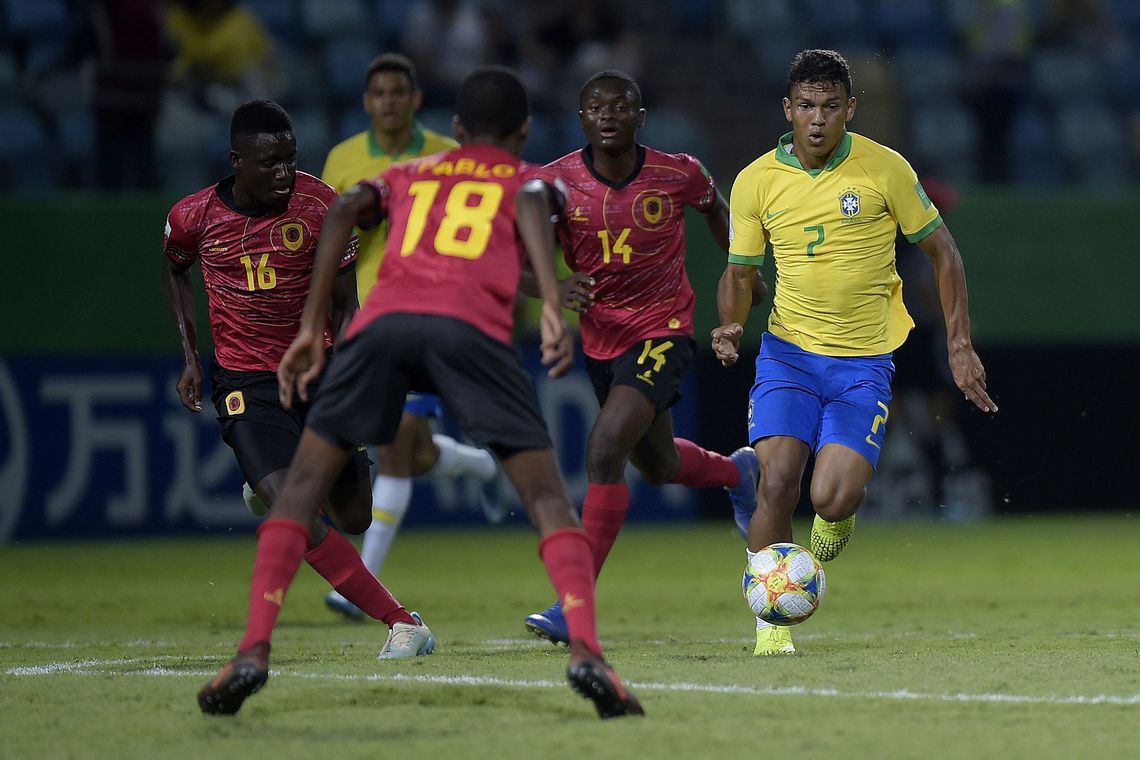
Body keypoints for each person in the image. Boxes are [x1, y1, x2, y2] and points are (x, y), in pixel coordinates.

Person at [196, 66, 644, 719]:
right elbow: (528, 205)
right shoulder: (526, 178)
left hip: (383, 326)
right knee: (547, 498)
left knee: (295, 495)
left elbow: (345, 209)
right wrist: (552, 300)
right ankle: (586, 652)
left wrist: (309, 324)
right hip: (470, 330)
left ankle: (252, 651)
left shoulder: (409, 173)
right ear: (522, 132)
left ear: (456, 130)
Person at [712, 49, 998, 656]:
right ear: (788, 109)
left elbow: (944, 252)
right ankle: (771, 623)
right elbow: (739, 273)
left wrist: (960, 344)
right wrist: (731, 327)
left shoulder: (884, 169)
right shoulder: (756, 180)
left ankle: (829, 532)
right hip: (787, 355)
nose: (818, 120)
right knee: (777, 482)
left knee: (831, 496)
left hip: (863, 363)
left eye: (831, 107)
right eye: (807, 107)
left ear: (851, 110)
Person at [164, 101, 432, 695]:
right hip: (246, 382)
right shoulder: (193, 216)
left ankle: (269, 483)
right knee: (296, 512)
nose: (285, 172)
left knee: (356, 515)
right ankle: (402, 621)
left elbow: (345, 301)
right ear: (237, 162)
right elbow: (176, 269)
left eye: (290, 159)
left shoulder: (319, 206)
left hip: (319, 373)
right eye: (270, 162)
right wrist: (190, 356)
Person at [521, 70, 768, 645]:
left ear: (640, 117)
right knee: (656, 466)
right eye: (594, 107)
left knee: (604, 450)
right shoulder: (553, 184)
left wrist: (741, 266)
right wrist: (552, 289)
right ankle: (738, 472)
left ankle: (571, 603)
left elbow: (715, 207)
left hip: (663, 332)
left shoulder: (676, 173)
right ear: (580, 118)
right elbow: (513, 265)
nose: (607, 114)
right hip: (601, 342)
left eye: (620, 106)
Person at [319, 52, 504, 622]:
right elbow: (325, 235)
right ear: (367, 102)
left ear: (416, 98)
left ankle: (362, 581)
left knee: (396, 448)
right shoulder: (343, 160)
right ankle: (478, 466)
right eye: (380, 94)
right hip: (364, 319)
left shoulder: (447, 157)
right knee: (410, 451)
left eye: (400, 92)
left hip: (429, 314)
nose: (390, 102)